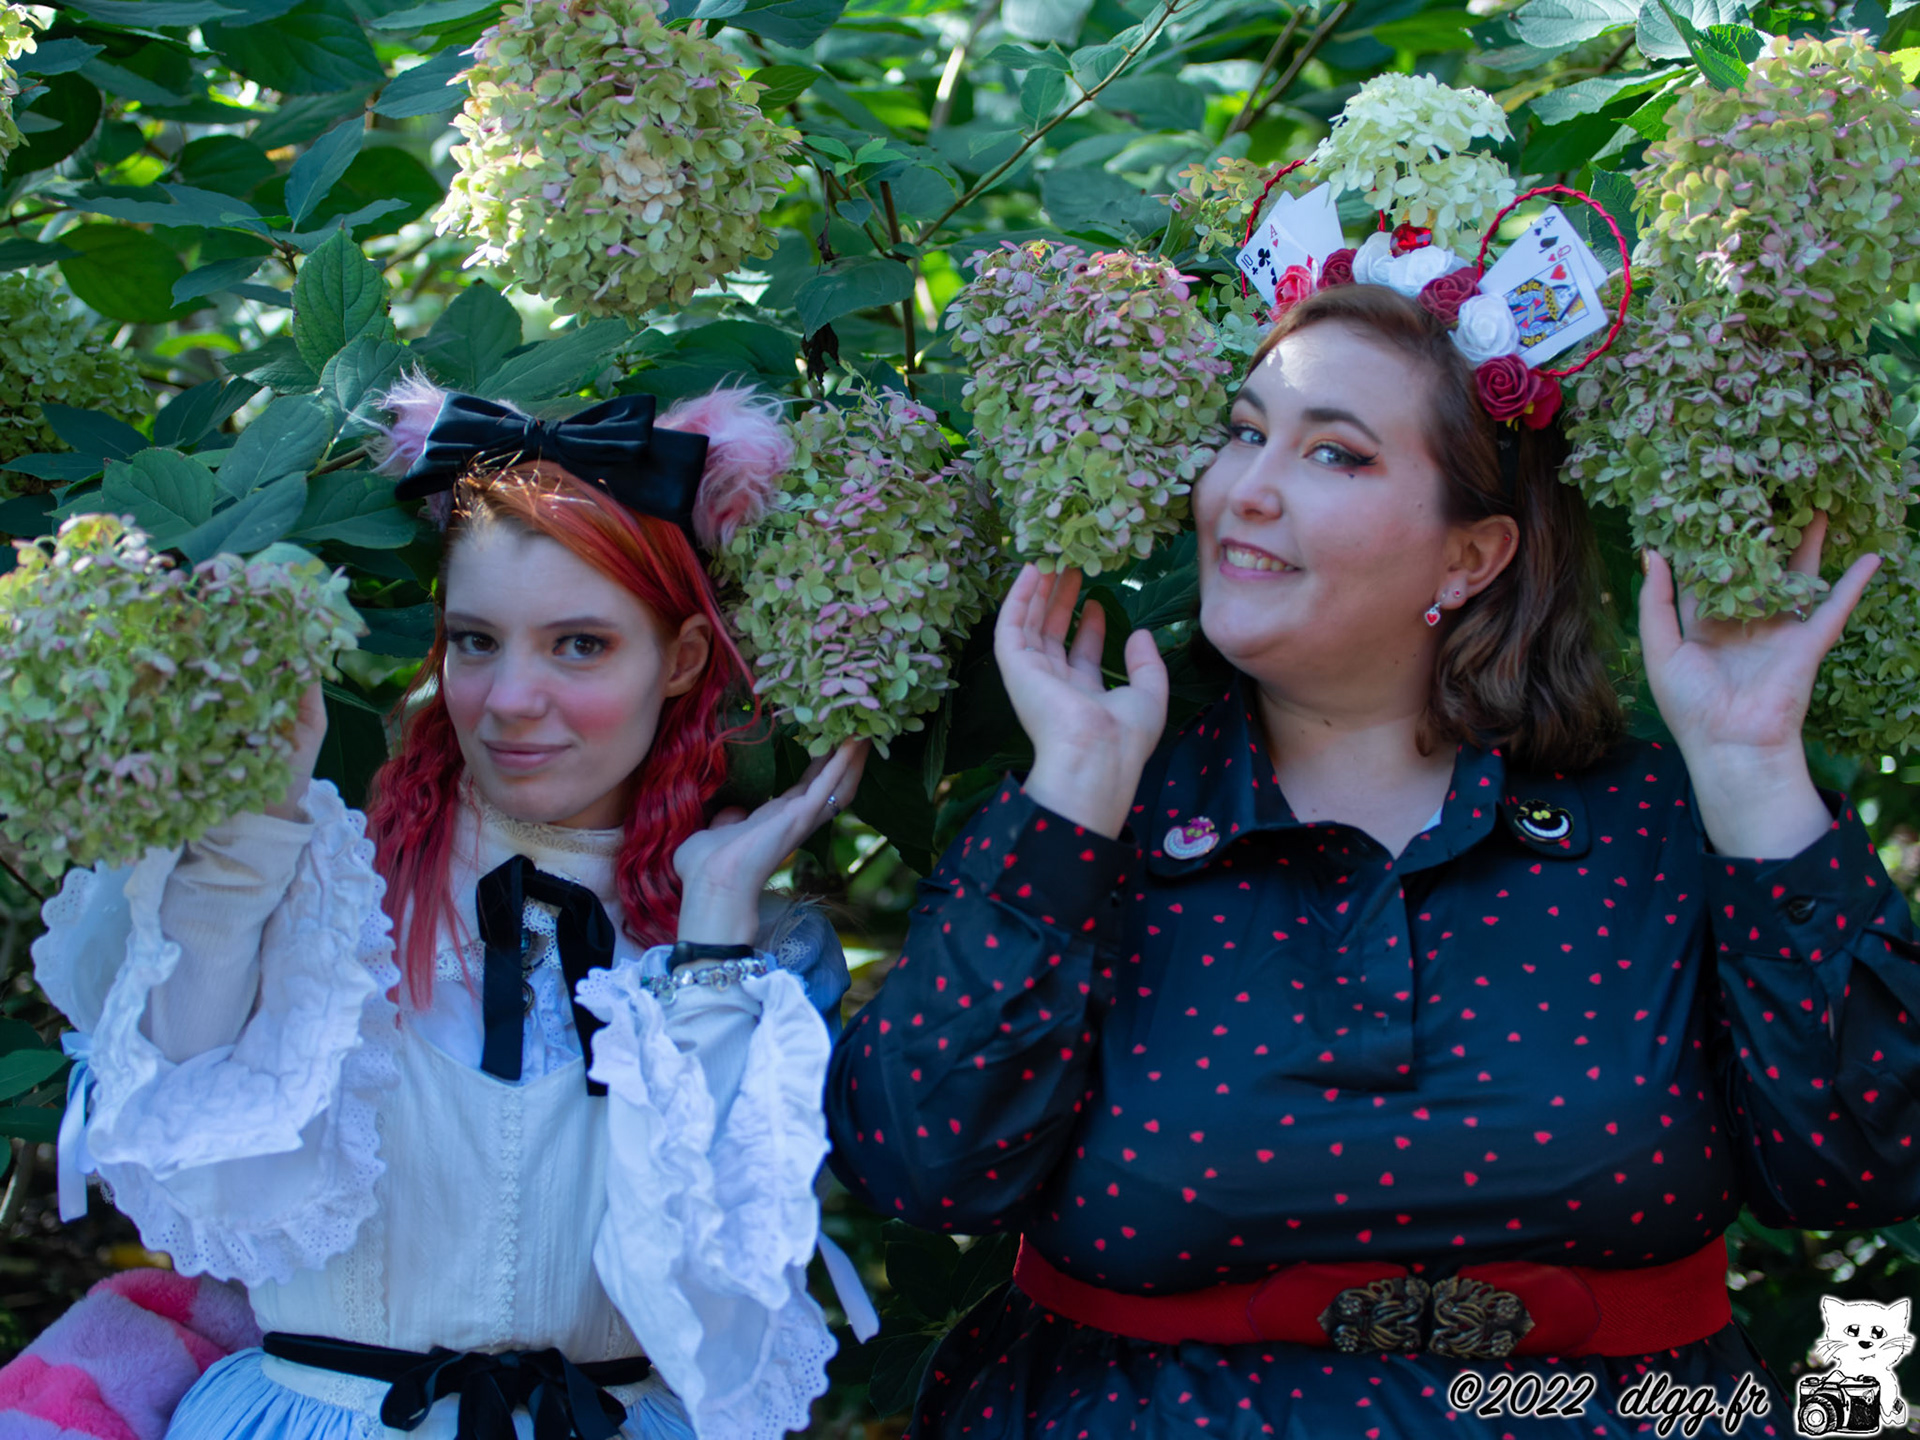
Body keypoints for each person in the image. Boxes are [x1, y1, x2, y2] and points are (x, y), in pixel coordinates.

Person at [824, 279, 1920, 1435]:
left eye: (1333, 455)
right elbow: (915, 1166)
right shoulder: (1102, 822)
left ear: (1471, 556)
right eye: (1243, 433)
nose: (1245, 490)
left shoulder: (1652, 821)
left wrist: (1751, 765)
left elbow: (1865, 1163)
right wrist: (1072, 798)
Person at [31, 377, 868, 1439]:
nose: (509, 700)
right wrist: (248, 841)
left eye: (580, 644)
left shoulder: (756, 954)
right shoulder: (329, 896)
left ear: (683, 660)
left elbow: (707, 1304)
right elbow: (181, 1155)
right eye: (476, 640)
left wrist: (710, 923)